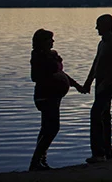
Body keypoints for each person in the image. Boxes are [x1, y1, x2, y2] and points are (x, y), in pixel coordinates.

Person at [29, 28, 83, 171]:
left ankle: (41, 160)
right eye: (49, 39)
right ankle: (36, 161)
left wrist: (76, 85)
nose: (52, 41)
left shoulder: (51, 55)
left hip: (54, 97)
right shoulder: (38, 56)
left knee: (47, 128)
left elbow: (61, 73)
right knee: (52, 128)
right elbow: (35, 77)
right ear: (42, 42)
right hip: (45, 96)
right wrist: (52, 67)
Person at [82, 13, 112, 164]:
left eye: (98, 25)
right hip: (100, 83)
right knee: (104, 116)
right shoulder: (102, 43)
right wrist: (88, 82)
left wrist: (104, 85)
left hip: (110, 84)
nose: (96, 28)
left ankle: (99, 154)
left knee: (96, 114)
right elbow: (96, 63)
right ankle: (107, 154)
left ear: (106, 25)